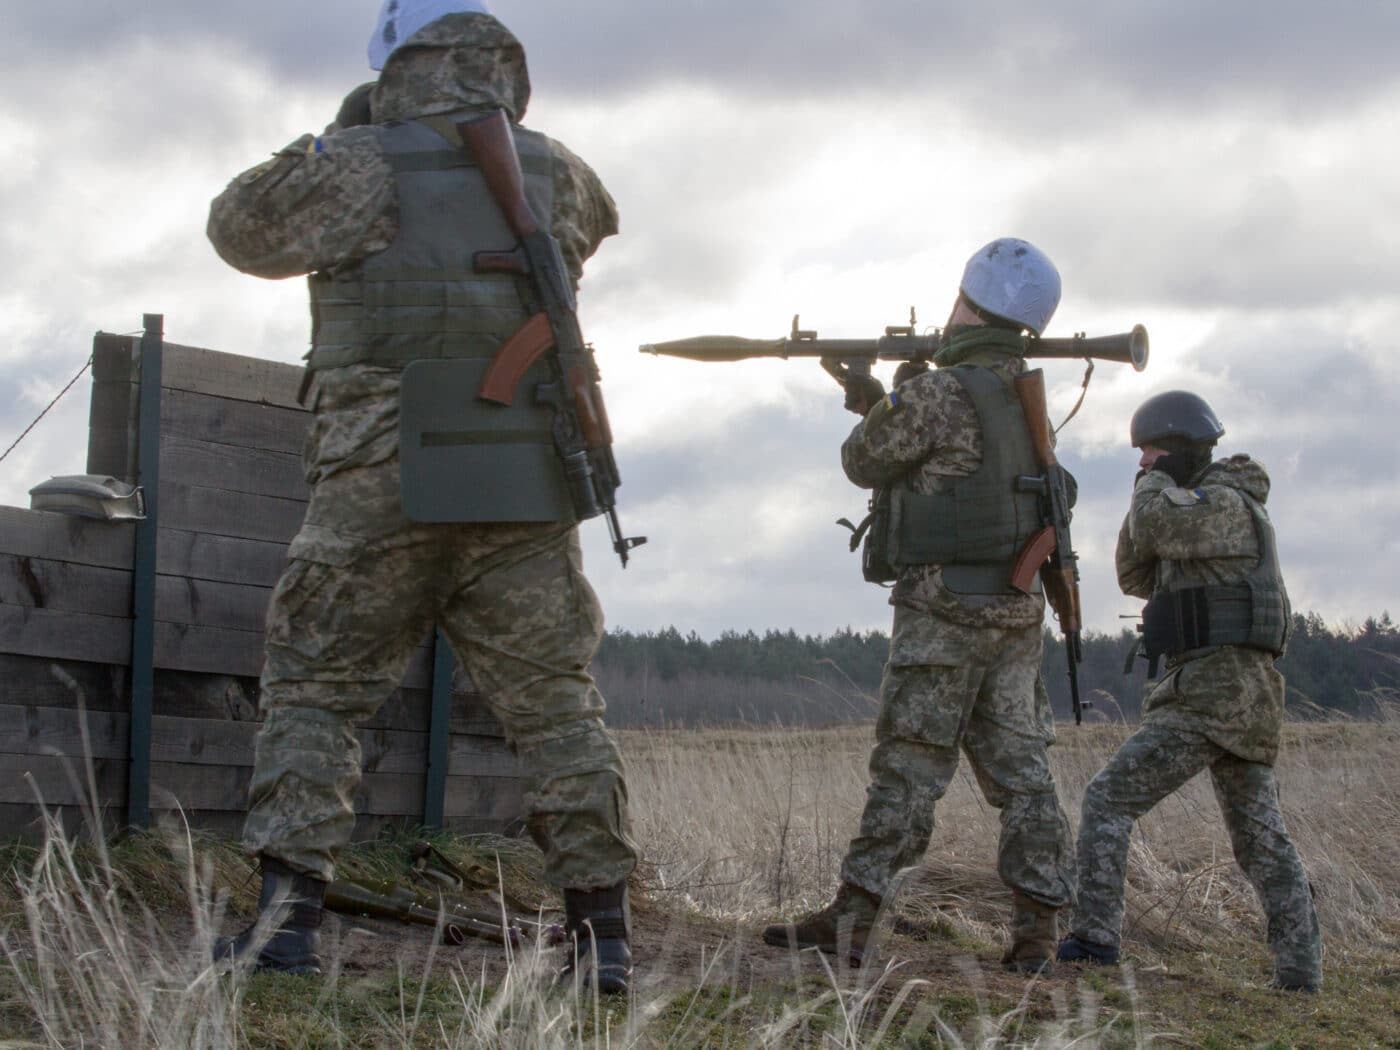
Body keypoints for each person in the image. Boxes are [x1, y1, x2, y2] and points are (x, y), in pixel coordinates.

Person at [205, 0, 638, 991]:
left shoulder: (358, 163)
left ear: (396, 62)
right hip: (520, 479)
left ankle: (285, 930)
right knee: (559, 710)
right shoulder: (563, 172)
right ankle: (603, 941)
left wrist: (347, 129)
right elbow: (595, 221)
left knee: (316, 694)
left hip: (380, 475)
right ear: (503, 64)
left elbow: (239, 229)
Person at [762, 238, 1077, 973]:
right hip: (1014, 610)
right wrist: (884, 396)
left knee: (907, 767)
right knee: (1024, 776)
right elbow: (954, 464)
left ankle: (856, 918)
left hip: (944, 614)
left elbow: (862, 460)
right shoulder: (1020, 396)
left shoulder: (940, 391)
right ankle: (1038, 931)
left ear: (970, 301)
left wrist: (882, 395)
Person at [1057, 391, 1322, 992]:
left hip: (1214, 694)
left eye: (1150, 451)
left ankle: (1096, 938)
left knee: (1108, 800)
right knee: (1260, 840)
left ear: (1177, 448)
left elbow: (1157, 524)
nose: (1143, 462)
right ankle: (1301, 973)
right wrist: (1151, 489)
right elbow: (1133, 572)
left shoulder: (1225, 503)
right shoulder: (1192, 511)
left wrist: (1149, 489)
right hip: (1228, 696)